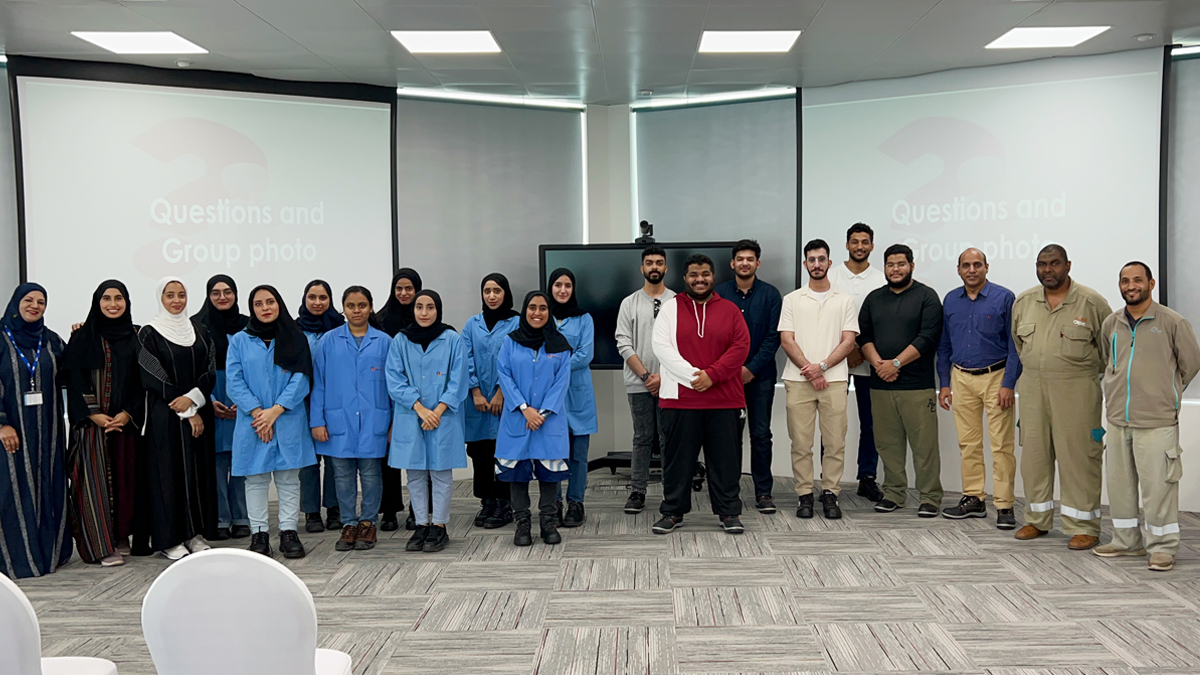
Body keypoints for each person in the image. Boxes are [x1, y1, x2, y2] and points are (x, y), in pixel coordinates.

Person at [1096, 262, 1200, 571]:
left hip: (1156, 422)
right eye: (1125, 281)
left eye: (1137, 280)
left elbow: (1191, 363)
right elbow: (1107, 359)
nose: (1131, 286)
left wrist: (1166, 392)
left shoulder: (1172, 322)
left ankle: (1163, 547)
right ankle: (1126, 541)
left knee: (1159, 489)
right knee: (1120, 486)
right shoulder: (1112, 323)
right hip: (1117, 419)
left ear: (1151, 284)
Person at [1011, 244, 1112, 550]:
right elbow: (1019, 344)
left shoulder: (1091, 302)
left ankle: (1084, 526)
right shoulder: (1024, 302)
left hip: (1077, 390)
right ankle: (1037, 520)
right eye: (1041, 264)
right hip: (1032, 389)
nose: (1047, 270)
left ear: (1068, 265)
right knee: (1034, 458)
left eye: (1054, 263)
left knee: (1079, 458)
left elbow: (1109, 351)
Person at [651, 254, 751, 535]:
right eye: (694, 275)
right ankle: (672, 511)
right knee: (677, 461)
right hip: (679, 400)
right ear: (685, 278)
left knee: (726, 461)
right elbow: (661, 347)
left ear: (713, 277)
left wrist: (713, 375)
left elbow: (741, 346)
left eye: (705, 274)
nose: (700, 279)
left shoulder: (730, 310)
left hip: (725, 399)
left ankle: (729, 512)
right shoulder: (670, 308)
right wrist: (697, 377)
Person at [226, 285, 316, 559]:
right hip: (253, 422)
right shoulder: (240, 340)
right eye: (259, 303)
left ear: (279, 304)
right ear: (251, 308)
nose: (265, 308)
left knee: (288, 478)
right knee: (255, 479)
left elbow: (302, 378)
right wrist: (258, 412)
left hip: (287, 418)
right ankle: (259, 534)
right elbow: (234, 381)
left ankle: (289, 532)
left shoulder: (296, 337)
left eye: (270, 302)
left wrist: (275, 412)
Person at [936, 249, 1021, 529]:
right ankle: (973, 498)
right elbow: (944, 344)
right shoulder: (951, 300)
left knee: (1002, 445)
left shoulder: (1004, 298)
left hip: (996, 377)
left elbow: (1015, 345)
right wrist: (944, 383)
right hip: (961, 377)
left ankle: (1005, 505)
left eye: (976, 265)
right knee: (968, 444)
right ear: (958, 269)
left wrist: (1008, 383)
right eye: (966, 265)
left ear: (986, 267)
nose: (971, 270)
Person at [856, 244, 944, 516]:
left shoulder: (927, 297)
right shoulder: (873, 299)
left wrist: (895, 364)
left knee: (924, 446)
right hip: (881, 386)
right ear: (884, 268)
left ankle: (930, 497)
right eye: (890, 265)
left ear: (912, 266)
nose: (895, 269)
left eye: (901, 264)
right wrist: (879, 365)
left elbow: (928, 337)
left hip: (917, 387)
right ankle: (894, 493)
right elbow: (863, 336)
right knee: (887, 445)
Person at [61, 281, 142, 567]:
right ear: (97, 302)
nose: (113, 304)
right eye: (106, 298)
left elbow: (141, 381)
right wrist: (93, 413)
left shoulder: (137, 336)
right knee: (92, 484)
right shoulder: (83, 335)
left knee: (124, 482)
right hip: (91, 426)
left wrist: (128, 413)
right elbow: (74, 379)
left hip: (125, 425)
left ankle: (120, 536)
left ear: (127, 302)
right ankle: (100, 545)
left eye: (119, 298)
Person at [137, 277, 217, 560]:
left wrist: (194, 401)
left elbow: (210, 370)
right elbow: (152, 375)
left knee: (197, 473)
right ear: (160, 298)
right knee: (168, 475)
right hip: (165, 416)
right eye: (169, 295)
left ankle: (195, 534)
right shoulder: (149, 333)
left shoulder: (200, 330)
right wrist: (186, 409)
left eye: (181, 294)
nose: (176, 300)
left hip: (199, 412)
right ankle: (169, 539)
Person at [778, 240, 859, 520]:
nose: (816, 264)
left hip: (834, 381)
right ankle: (804, 494)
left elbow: (848, 341)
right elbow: (786, 340)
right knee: (801, 443)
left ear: (829, 263)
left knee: (835, 441)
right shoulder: (792, 299)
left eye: (821, 259)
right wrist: (810, 370)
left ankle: (830, 493)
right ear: (805, 264)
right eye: (811, 260)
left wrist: (822, 367)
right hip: (798, 380)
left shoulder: (844, 300)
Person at [387, 290, 468, 553]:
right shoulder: (400, 340)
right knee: (415, 473)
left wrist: (438, 410)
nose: (424, 312)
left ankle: (439, 526)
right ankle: (421, 524)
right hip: (412, 414)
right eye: (419, 307)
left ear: (438, 310)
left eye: (430, 307)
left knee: (441, 472)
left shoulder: (452, 339)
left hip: (443, 416)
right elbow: (394, 379)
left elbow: (459, 379)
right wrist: (420, 408)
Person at [311, 286, 390, 553]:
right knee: (342, 476)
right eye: (351, 306)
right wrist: (317, 421)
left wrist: (393, 423)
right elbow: (318, 384)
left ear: (371, 307)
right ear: (343, 309)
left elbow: (392, 386)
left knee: (371, 474)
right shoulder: (328, 342)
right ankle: (348, 523)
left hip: (374, 419)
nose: (357, 311)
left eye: (362, 305)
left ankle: (368, 523)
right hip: (338, 420)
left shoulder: (384, 342)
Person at [0, 283, 71, 578]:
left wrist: (82, 337)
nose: (35, 306)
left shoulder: (51, 340)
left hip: (48, 431)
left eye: (41, 302)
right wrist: (2, 423)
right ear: (16, 303)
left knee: (48, 484)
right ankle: (17, 559)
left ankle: (48, 554)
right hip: (11, 431)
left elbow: (71, 372)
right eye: (28, 300)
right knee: (13, 490)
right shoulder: (1, 338)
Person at [495, 291, 573, 546]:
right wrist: (524, 408)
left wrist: (542, 412)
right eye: (532, 307)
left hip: (548, 421)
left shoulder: (561, 345)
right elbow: (504, 376)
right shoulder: (510, 342)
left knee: (549, 474)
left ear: (549, 312)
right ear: (524, 310)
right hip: (518, 418)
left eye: (542, 308)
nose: (537, 313)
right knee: (517, 474)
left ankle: (548, 522)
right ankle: (522, 524)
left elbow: (562, 383)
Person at [714, 240, 782, 514]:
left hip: (761, 377)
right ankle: (729, 491)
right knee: (728, 438)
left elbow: (773, 337)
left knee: (761, 434)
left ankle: (763, 492)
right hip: (726, 379)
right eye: (740, 259)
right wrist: (731, 370)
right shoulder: (718, 294)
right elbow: (715, 338)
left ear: (757, 263)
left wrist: (750, 368)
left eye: (750, 259)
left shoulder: (771, 295)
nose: (745, 263)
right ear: (732, 263)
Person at [828, 223, 887, 503]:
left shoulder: (881, 279)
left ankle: (867, 477)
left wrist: (861, 349)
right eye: (855, 242)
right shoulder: (831, 276)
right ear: (847, 245)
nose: (859, 246)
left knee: (871, 423)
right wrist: (846, 350)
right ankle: (829, 481)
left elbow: (883, 320)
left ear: (872, 246)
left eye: (865, 242)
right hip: (834, 360)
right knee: (832, 422)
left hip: (869, 360)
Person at [615, 245, 675, 514]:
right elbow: (623, 343)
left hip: (670, 382)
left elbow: (682, 345)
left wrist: (663, 377)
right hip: (638, 383)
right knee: (642, 438)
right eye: (649, 263)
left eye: (659, 263)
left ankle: (671, 491)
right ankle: (637, 491)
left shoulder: (677, 301)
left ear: (666, 268)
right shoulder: (629, 303)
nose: (654, 267)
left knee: (668, 438)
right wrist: (646, 376)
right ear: (642, 268)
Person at [192, 274, 251, 541]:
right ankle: (220, 519)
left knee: (241, 462)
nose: (222, 297)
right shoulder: (195, 326)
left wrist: (245, 400)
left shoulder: (249, 325)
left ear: (236, 294)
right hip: (209, 397)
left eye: (228, 291)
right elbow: (193, 367)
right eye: (215, 292)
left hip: (243, 400)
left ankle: (242, 518)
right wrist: (209, 399)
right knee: (216, 465)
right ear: (208, 295)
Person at [463, 273, 521, 528]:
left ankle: (505, 503)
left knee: (504, 451)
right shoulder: (471, 324)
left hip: (505, 400)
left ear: (505, 293)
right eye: (487, 291)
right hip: (476, 402)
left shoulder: (516, 322)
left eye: (497, 290)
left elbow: (516, 360)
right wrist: (475, 391)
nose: (492, 296)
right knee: (480, 452)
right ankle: (487, 502)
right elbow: (465, 358)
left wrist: (501, 392)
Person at [547, 268, 597, 528]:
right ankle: (553, 503)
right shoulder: (542, 316)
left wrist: (553, 365)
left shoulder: (584, 319)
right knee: (553, 452)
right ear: (550, 288)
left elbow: (585, 355)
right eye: (558, 285)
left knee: (578, 454)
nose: (563, 290)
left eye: (568, 285)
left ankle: (576, 502)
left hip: (578, 394)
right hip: (549, 395)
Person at [297, 280, 345, 534]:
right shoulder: (294, 330)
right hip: (302, 402)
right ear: (304, 299)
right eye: (312, 297)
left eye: (323, 297)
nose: (317, 302)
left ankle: (335, 508)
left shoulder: (341, 328)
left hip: (335, 402)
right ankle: (311, 512)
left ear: (330, 300)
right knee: (308, 461)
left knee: (335, 458)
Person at [375, 268, 421, 531]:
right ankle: (389, 510)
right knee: (387, 456)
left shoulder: (425, 318)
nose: (404, 293)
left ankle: (418, 509)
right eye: (399, 288)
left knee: (418, 455)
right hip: (385, 394)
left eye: (409, 288)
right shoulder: (379, 321)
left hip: (419, 398)